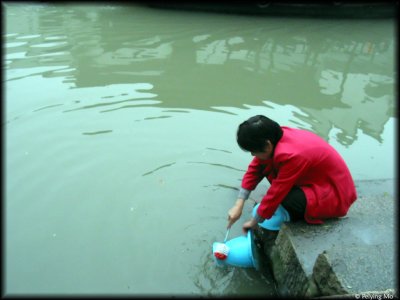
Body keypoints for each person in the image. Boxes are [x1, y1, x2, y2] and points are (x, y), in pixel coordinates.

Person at [227, 115, 357, 232]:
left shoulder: (292, 155)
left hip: (333, 194)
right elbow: (255, 169)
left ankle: (293, 216)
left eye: (253, 151)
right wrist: (239, 205)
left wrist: (254, 222)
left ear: (267, 145)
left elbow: (277, 191)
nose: (253, 155)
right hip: (317, 181)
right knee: (269, 177)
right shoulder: (275, 136)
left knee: (284, 198)